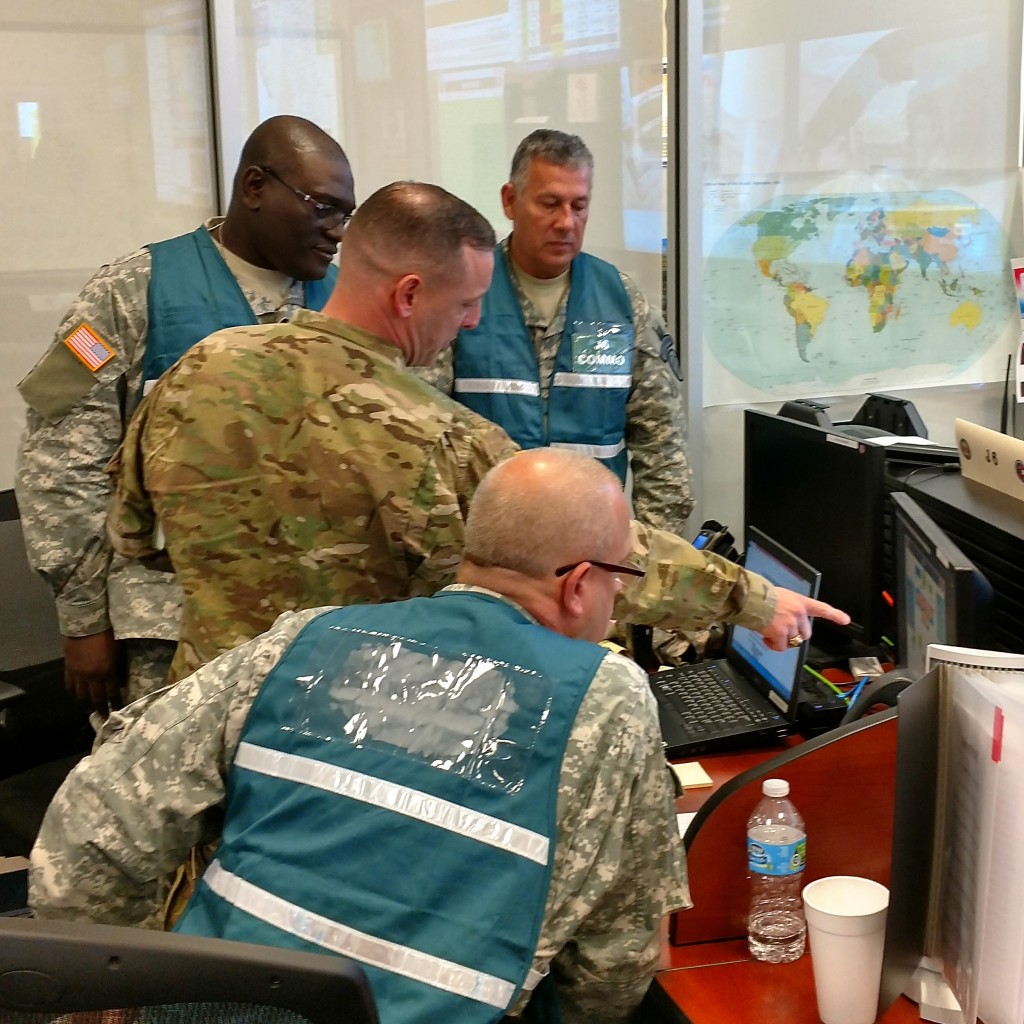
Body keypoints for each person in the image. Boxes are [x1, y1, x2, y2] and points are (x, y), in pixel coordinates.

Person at [31, 449, 690, 1024]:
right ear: (580, 585)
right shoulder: (606, 698)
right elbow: (615, 955)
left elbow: (93, 831)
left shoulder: (306, 639)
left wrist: (113, 996)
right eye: (621, 576)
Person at [107, 181, 847, 685]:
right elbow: (596, 554)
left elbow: (133, 534)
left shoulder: (198, 369)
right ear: (408, 294)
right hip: (348, 739)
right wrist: (751, 600)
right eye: (464, 305)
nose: (468, 323)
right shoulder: (433, 438)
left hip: (207, 719)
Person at [15, 115, 356, 712]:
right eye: (322, 207)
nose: (338, 232)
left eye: (346, 214)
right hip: (171, 631)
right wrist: (82, 616)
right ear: (255, 187)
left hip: (317, 632)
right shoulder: (133, 291)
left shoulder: (346, 304)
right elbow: (62, 462)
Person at [417, 128, 693, 535]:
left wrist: (637, 569)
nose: (566, 222)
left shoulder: (622, 302)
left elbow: (664, 456)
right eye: (550, 204)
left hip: (592, 550)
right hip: (485, 549)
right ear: (510, 201)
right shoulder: (464, 293)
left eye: (579, 206)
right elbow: (424, 438)